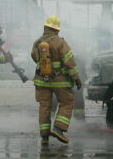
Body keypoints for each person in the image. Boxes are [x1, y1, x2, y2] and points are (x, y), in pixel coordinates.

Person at [31, 16, 82, 145]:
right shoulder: (60, 42)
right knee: (67, 102)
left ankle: (44, 136)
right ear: (57, 30)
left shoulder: (37, 42)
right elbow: (69, 61)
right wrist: (76, 78)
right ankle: (59, 129)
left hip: (41, 80)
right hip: (60, 80)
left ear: (45, 27)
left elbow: (34, 58)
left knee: (44, 106)